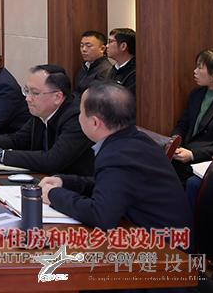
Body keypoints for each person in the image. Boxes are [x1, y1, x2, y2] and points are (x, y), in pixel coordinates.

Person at [41, 81, 192, 231]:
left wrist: (53, 195)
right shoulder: (133, 139)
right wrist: (65, 182)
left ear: (95, 122)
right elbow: (111, 186)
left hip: (163, 243)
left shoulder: (117, 155)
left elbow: (100, 215)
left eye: (80, 112)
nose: (78, 117)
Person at [0, 65, 94, 176]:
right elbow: (18, 139)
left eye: (35, 93)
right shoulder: (41, 111)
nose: (28, 98)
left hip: (73, 190)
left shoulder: (76, 118)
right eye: (27, 91)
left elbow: (53, 159)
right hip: (43, 180)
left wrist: (0, 156)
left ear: (57, 97)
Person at [170, 48, 213, 180]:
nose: (195, 71)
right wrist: (175, 141)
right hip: (183, 151)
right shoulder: (196, 93)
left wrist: (193, 154)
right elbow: (183, 123)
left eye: (200, 68)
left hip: (204, 160)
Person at [73, 30, 113, 97]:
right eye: (81, 46)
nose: (84, 49)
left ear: (102, 49)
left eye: (88, 46)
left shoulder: (106, 70)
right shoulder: (84, 66)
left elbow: (96, 97)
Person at [106, 27, 136, 95]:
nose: (107, 46)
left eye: (110, 42)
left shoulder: (134, 73)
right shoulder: (113, 69)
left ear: (123, 46)